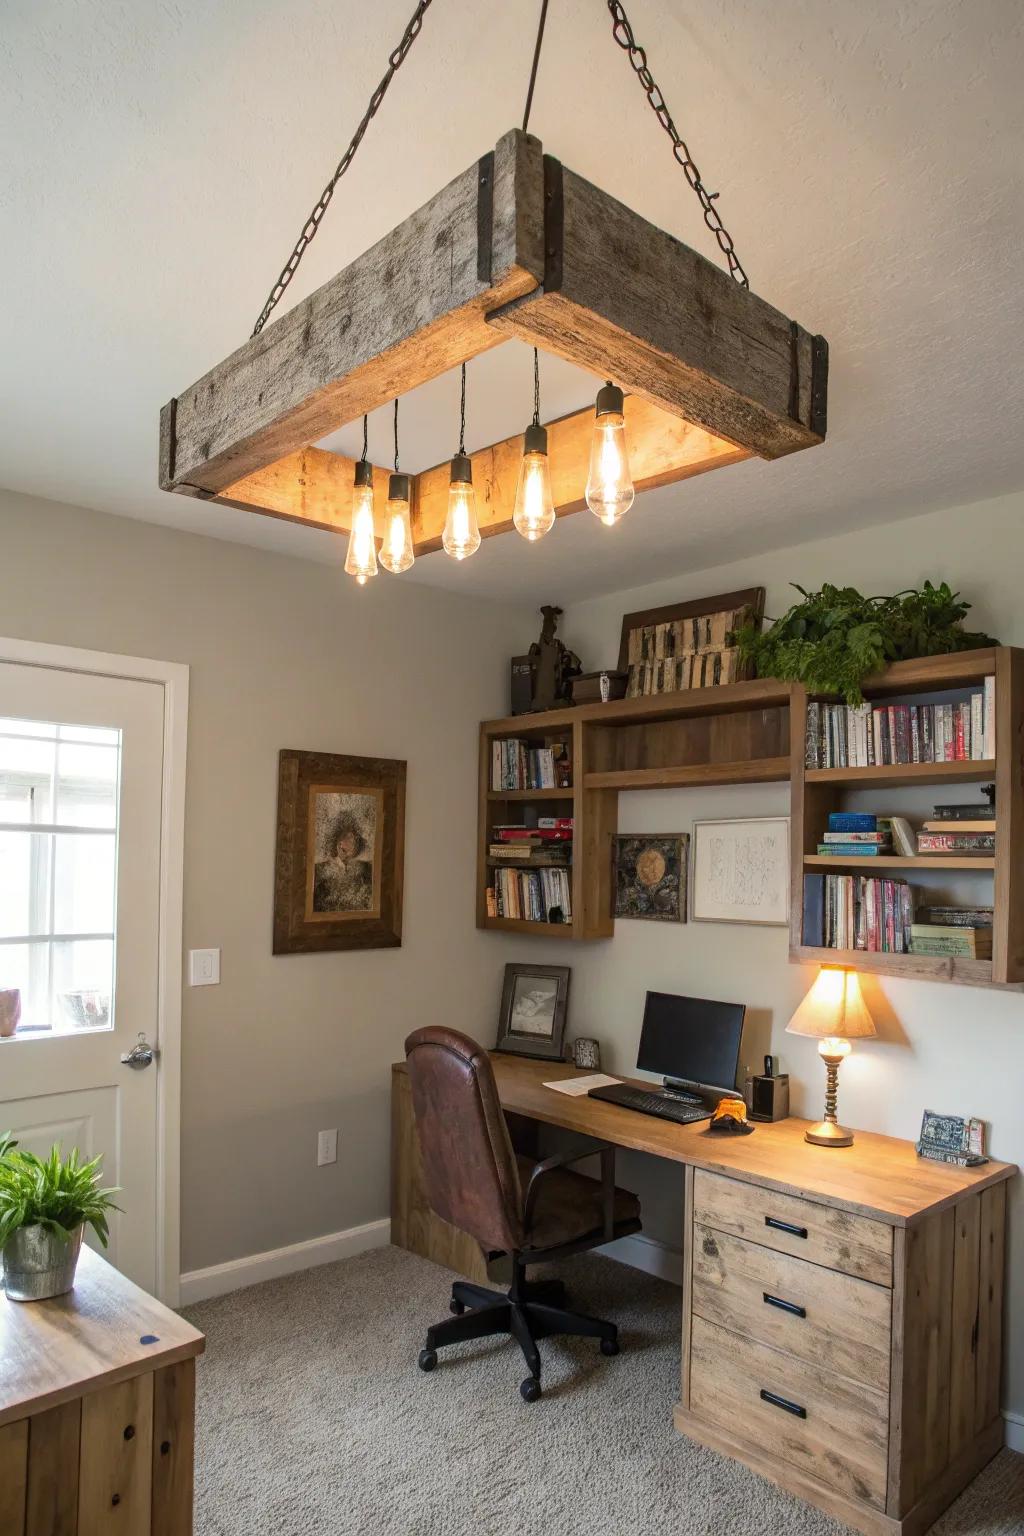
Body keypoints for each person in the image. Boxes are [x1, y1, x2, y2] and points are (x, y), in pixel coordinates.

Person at [313, 810, 374, 913]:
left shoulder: (365, 868)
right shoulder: (320, 869)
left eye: (354, 838)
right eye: (348, 837)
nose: (353, 841)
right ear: (339, 842)